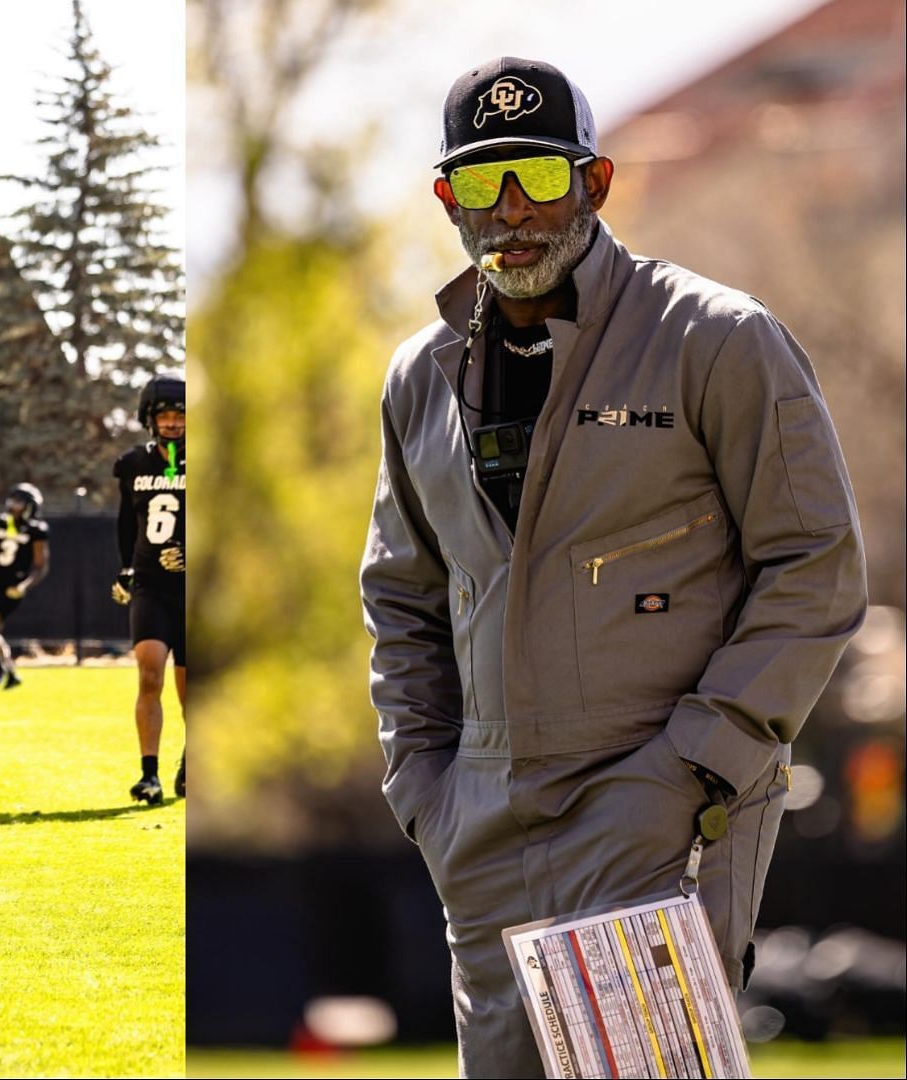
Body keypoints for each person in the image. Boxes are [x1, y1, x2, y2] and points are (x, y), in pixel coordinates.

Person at [359, 58, 869, 1076]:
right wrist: (425, 787)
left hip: (658, 801)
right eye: (481, 183)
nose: (513, 211)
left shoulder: (718, 341)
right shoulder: (419, 377)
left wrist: (694, 764)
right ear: (444, 198)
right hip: (482, 823)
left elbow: (815, 566)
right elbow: (402, 597)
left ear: (595, 183)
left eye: (540, 179)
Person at [112, 372, 186, 805]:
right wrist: (125, 570)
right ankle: (149, 775)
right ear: (149, 419)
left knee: (189, 692)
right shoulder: (134, 464)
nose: (174, 423)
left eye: (180, 415)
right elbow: (126, 522)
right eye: (166, 416)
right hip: (151, 586)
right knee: (149, 674)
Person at [0, 483, 50, 690]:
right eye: (14, 501)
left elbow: (40, 566)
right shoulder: (0, 523)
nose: (15, 506)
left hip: (14, 586)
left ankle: (8, 669)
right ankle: (1, 667)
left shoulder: (36, 530)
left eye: (20, 502)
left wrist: (23, 586)